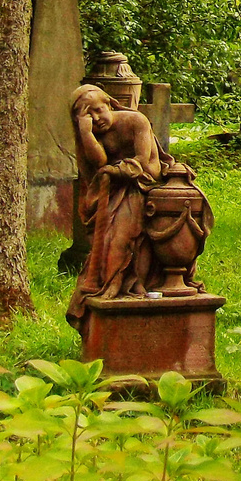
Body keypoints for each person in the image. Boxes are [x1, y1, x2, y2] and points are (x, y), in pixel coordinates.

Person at [64, 84, 166, 326]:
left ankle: (118, 282)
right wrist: (87, 135)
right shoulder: (92, 134)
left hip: (143, 181)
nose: (97, 118)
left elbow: (143, 162)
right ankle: (113, 281)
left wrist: (115, 171)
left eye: (99, 110)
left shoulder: (135, 121)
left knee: (121, 232)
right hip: (113, 186)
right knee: (108, 231)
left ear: (110, 104)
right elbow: (97, 166)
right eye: (89, 116)